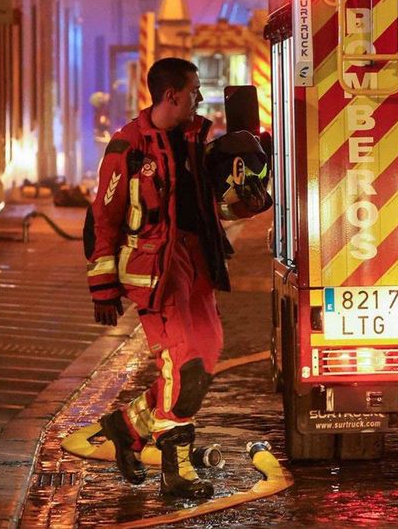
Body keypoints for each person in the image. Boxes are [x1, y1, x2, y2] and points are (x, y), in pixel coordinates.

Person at [84, 57, 270, 499]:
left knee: (201, 365)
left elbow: (211, 209)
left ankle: (126, 426)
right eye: (195, 89)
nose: (200, 97)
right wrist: (103, 288)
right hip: (156, 275)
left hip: (197, 266)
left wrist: (247, 203)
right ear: (172, 95)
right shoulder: (127, 148)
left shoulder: (196, 143)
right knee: (184, 370)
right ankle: (178, 471)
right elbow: (104, 220)